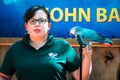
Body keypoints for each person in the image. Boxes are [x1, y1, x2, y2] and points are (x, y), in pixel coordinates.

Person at [0, 5, 92, 80]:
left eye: (41, 20)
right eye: (32, 21)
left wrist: (87, 57)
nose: (37, 24)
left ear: (49, 26)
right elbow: (4, 76)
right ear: (26, 26)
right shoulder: (15, 48)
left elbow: (82, 78)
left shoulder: (63, 46)